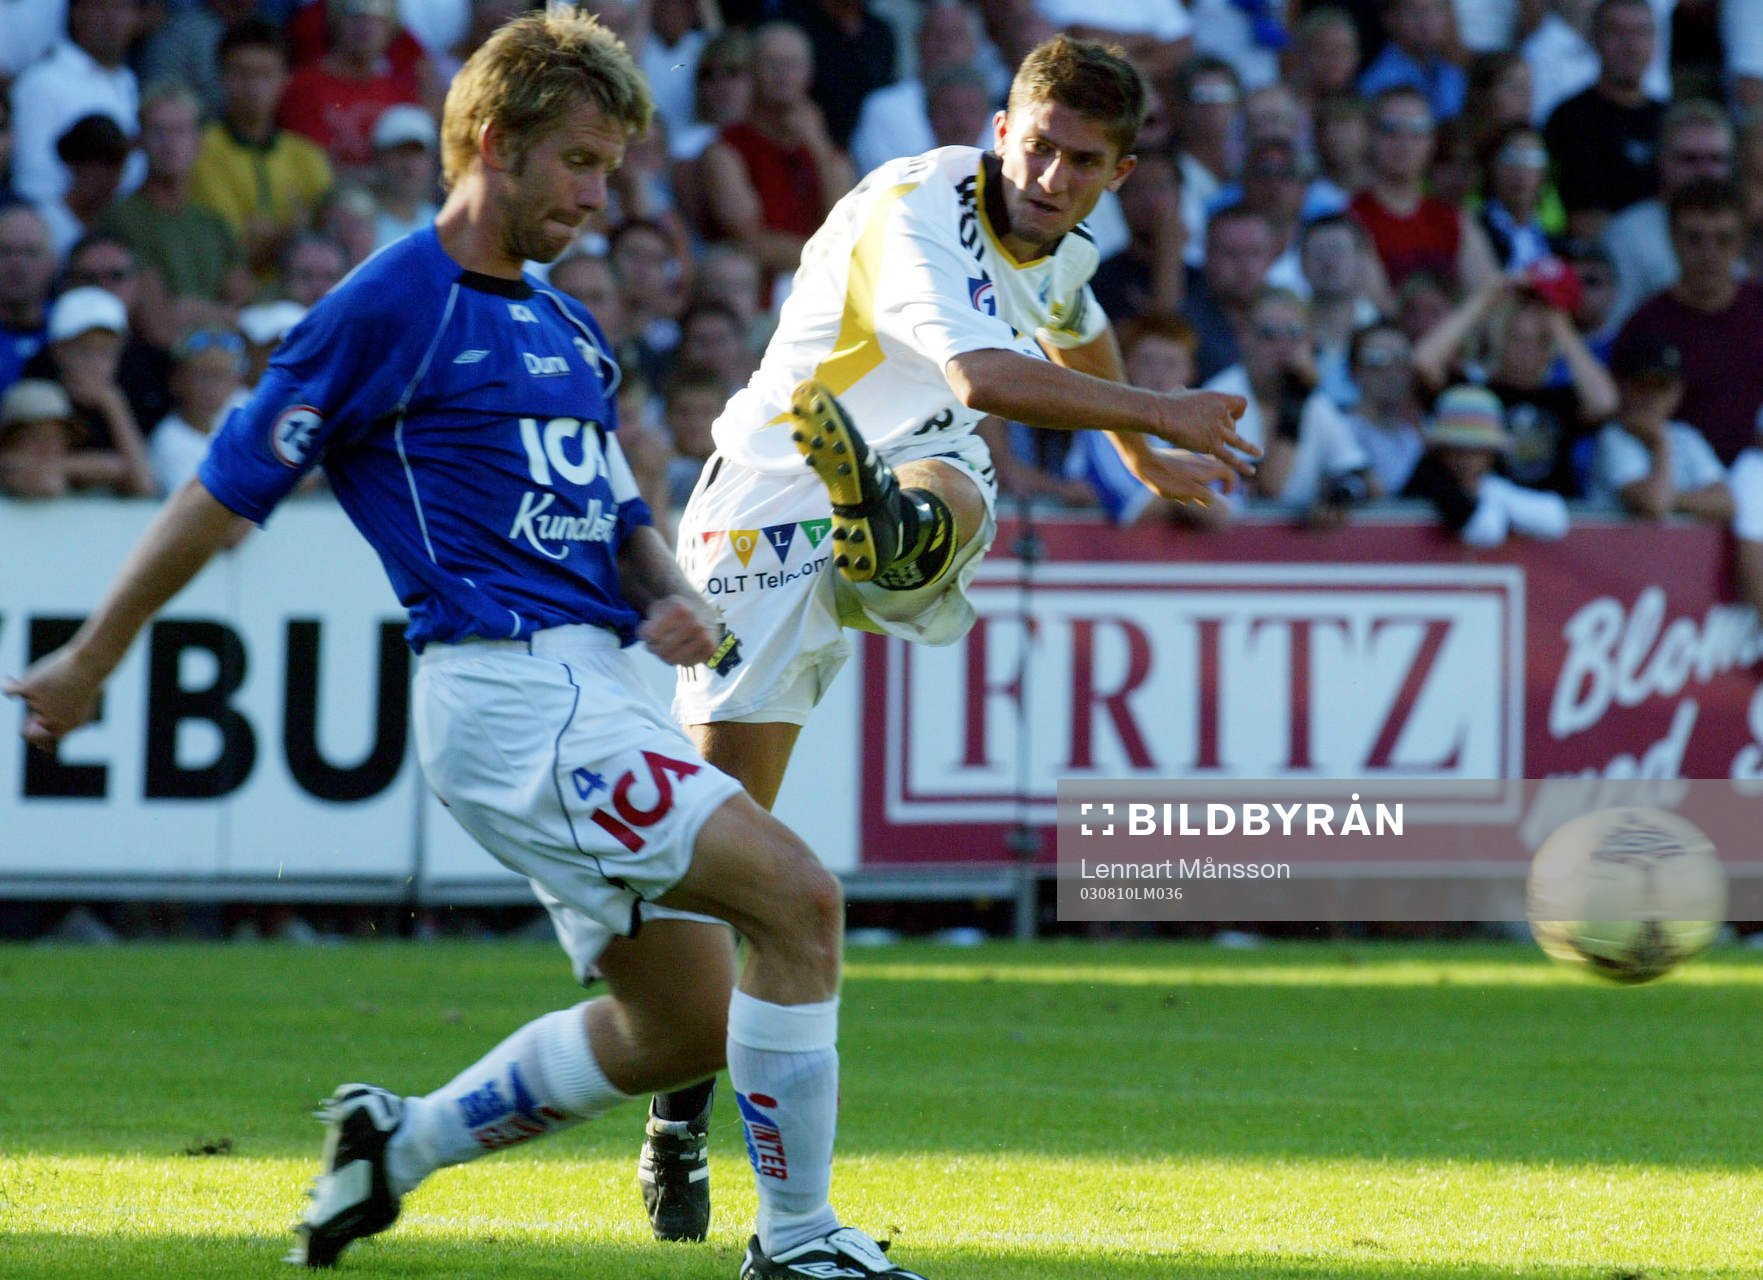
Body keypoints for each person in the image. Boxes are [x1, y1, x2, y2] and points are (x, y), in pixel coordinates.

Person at [5, 13, 934, 1279]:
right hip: (508, 690)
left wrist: (670, 589)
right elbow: (224, 487)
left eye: (611, 169)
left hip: (597, 683)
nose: (599, 197)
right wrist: (94, 656)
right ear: (494, 143)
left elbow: (611, 513)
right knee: (800, 897)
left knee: (687, 1026)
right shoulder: (392, 302)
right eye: (581, 164)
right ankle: (799, 1237)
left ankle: (395, 1144)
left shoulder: (563, 328)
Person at [673, 34, 1253, 864]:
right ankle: (889, 530)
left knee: (955, 473)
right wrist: (1161, 414)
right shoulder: (919, 207)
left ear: (1119, 174)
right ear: (1000, 131)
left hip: (914, 460)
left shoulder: (1062, 247)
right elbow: (982, 379)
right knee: (715, 839)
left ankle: (892, 529)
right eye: (1039, 148)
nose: (1052, 180)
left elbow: (1075, 323)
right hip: (766, 494)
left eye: (1082, 162)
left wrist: (1135, 454)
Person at [1587, 333, 1732, 521]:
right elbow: (1654, 504)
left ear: (1678, 392)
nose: (1651, 396)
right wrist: (1660, 443)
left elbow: (1727, 503)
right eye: (1642, 385)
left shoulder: (1686, 436)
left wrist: (1671, 496)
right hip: (1613, 548)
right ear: (1622, 385)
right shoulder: (1615, 437)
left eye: (1662, 386)